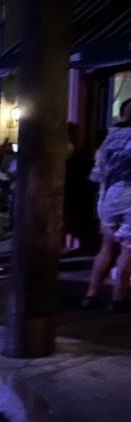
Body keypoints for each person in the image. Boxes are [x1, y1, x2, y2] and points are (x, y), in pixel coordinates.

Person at [83, 97, 131, 312]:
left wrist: (102, 203)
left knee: (107, 246)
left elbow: (98, 174)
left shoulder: (109, 139)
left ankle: (91, 294)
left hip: (109, 197)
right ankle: (118, 298)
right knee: (128, 249)